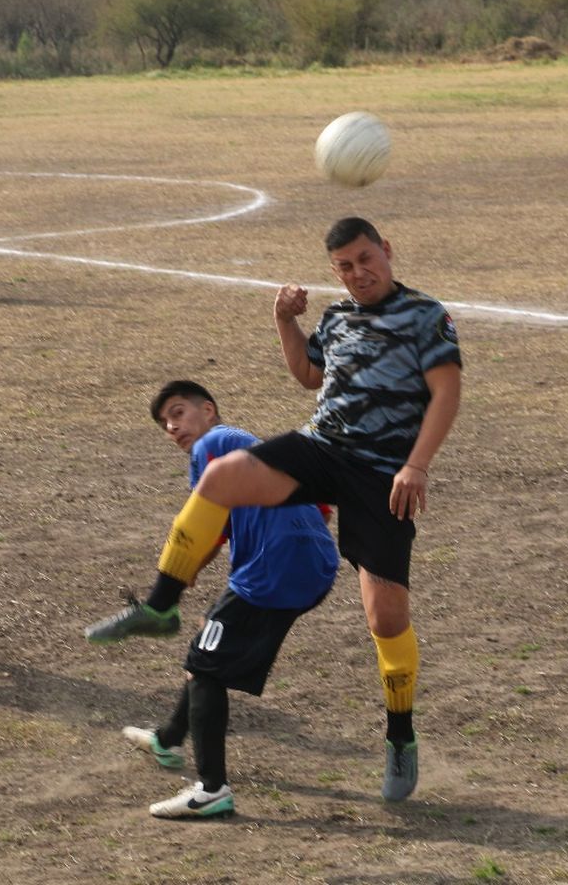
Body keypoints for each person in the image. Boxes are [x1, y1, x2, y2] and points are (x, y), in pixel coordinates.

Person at [86, 217, 462, 803]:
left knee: (385, 618)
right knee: (220, 476)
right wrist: (285, 320)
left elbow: (446, 392)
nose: (358, 273)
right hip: (322, 447)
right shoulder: (337, 317)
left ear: (387, 251)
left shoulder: (425, 315)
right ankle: (160, 607)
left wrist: (416, 465)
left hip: (381, 472)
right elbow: (309, 376)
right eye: (345, 266)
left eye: (366, 259)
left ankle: (400, 734)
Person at [114, 381, 339, 820]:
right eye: (165, 423)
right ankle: (168, 738)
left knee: (204, 667)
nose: (172, 426)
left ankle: (212, 789)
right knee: (208, 643)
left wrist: (175, 578)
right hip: (309, 563)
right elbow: (315, 508)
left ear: (210, 411)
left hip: (274, 568)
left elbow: (200, 525)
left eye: (178, 413)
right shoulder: (253, 451)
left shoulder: (215, 443)